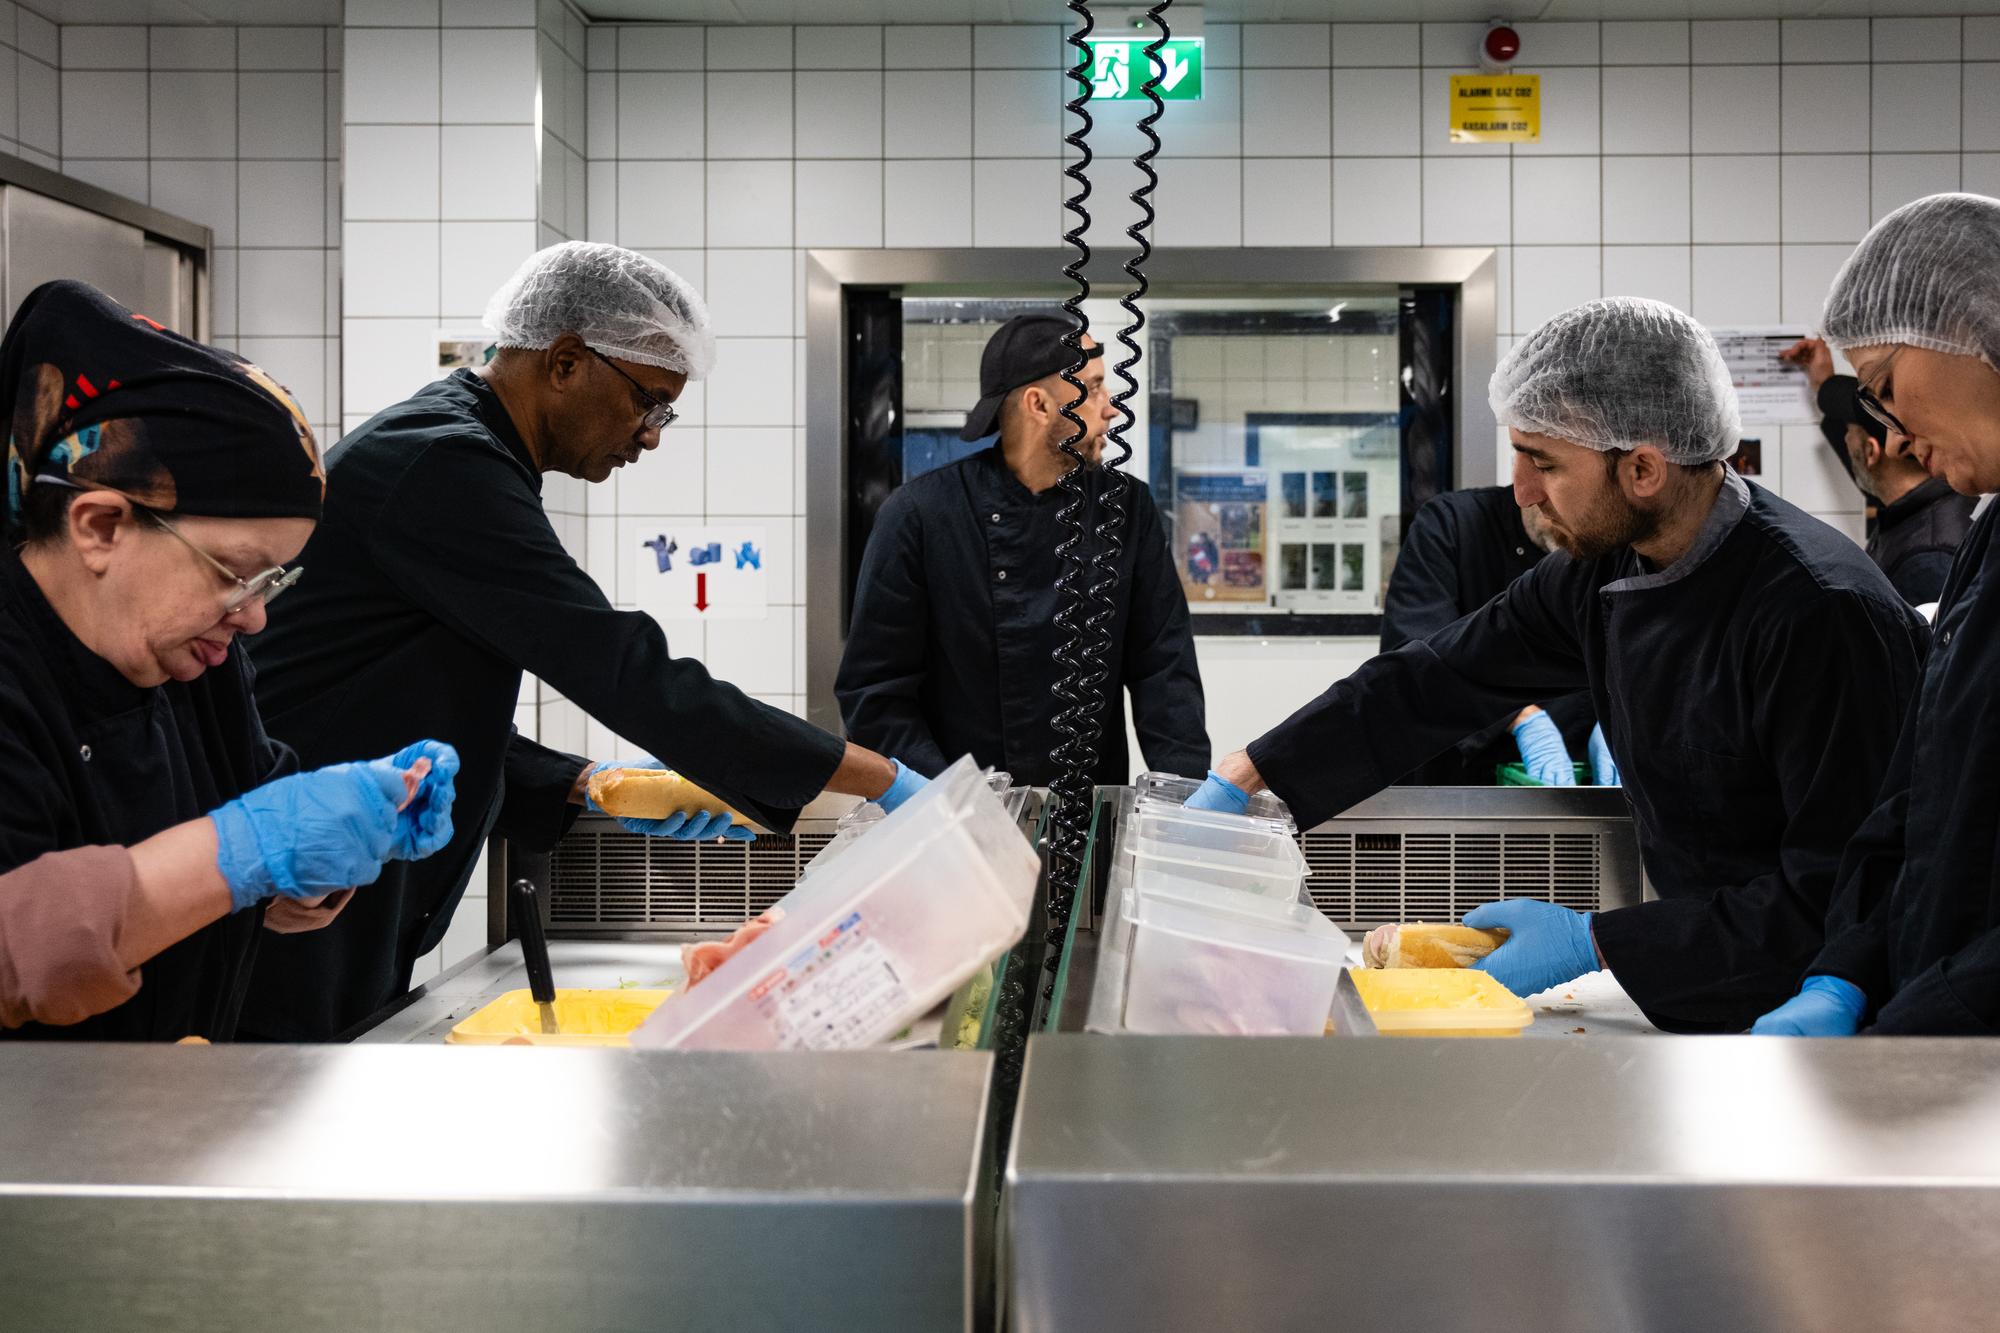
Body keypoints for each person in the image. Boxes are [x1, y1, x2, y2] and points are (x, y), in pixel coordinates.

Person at [241, 243, 927, 1042]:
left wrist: (585, 782)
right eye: (650, 403)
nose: (650, 436)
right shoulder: (443, 464)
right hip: (292, 878)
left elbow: (397, 690)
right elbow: (624, 669)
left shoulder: (471, 455)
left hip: (341, 881)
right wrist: (881, 777)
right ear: (566, 361)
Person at [1187, 297, 1926, 1034]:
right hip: (1708, 981)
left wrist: (1596, 941)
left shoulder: (1819, 610)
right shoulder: (1602, 571)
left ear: (1642, 468)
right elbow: (1434, 678)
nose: (1525, 492)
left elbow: (1841, 891)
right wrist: (1252, 777)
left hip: (1824, 1011)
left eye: (1545, 463)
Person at [0, 280, 457, 1038]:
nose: (256, 614)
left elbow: (242, 856)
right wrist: (244, 850)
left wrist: (321, 862)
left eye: (274, 577)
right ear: (102, 526)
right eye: (234, 573)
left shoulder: (192, 660)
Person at [1755, 193, 2000, 1036]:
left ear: (1982, 327)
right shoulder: (1990, 533)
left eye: (1888, 387)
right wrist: (1849, 970)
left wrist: (1915, 1032)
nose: (1887, 429)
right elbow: (1923, 786)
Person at [836, 313, 1208, 786]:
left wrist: (1182, 803)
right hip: (955, 825)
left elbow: (1165, 669)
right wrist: (952, 799)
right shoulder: (921, 515)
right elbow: (875, 691)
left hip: (1090, 820)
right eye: (1093, 389)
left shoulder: (1126, 507)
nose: (1111, 408)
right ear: (1038, 404)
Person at [1380, 486, 1612, 787]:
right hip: (1464, 786)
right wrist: (1521, 718)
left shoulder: (1615, 540)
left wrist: (1625, 721)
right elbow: (1415, 665)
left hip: (1584, 781)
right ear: (1528, 481)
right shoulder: (1453, 524)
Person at [1780, 335, 1974, 607]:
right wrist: (1824, 381)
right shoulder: (1925, 505)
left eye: (1849, 433)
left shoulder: (1928, 554)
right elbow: (1871, 474)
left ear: (1872, 452)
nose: (1845, 441)